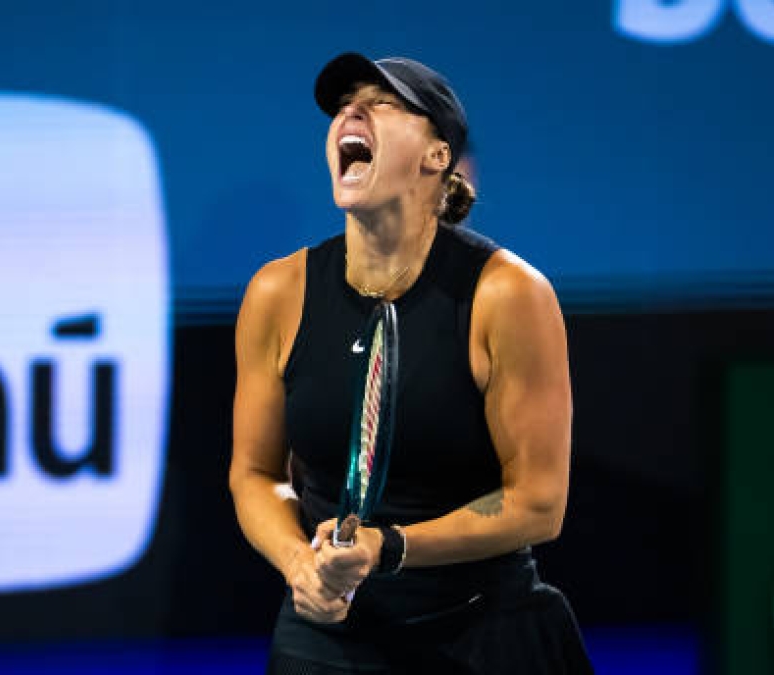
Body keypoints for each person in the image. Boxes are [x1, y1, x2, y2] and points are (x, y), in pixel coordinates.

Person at [229, 53, 593, 673]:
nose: (352, 110)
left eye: (383, 102)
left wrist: (390, 547)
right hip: (328, 639)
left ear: (437, 156)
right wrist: (300, 565)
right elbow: (256, 474)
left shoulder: (507, 294)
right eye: (346, 103)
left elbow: (538, 502)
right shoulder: (277, 291)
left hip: (485, 631)